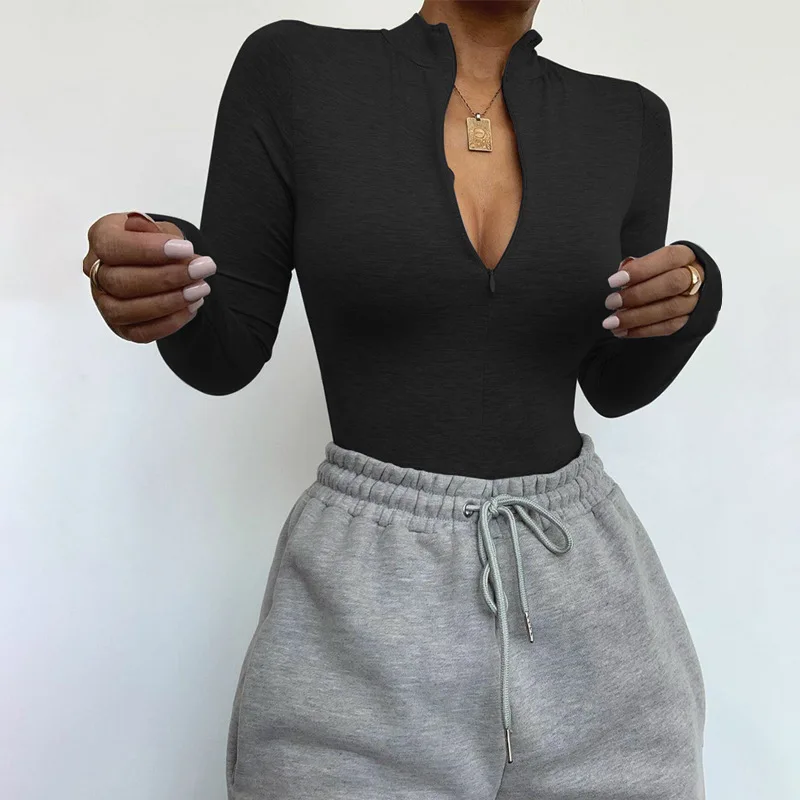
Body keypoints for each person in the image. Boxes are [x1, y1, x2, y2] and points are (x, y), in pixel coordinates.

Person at [83, 2, 721, 797]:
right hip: (361, 615)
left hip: (590, 604)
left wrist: (694, 297)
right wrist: (168, 270)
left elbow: (615, 383)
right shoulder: (297, 73)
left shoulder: (628, 119)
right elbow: (225, 354)